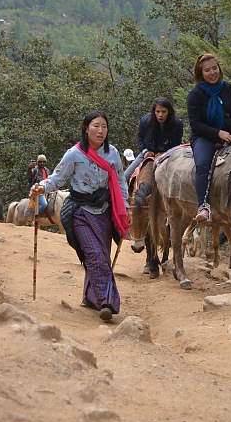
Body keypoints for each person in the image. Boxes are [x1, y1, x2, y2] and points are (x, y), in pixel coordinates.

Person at [29, 111, 129, 322]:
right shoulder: (74, 154)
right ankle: (107, 302)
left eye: (104, 126)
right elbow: (57, 179)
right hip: (81, 211)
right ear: (86, 128)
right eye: (96, 126)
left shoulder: (112, 154)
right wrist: (40, 187)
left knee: (102, 254)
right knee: (95, 255)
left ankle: (91, 297)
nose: (101, 131)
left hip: (105, 210)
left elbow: (120, 181)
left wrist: (125, 206)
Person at [186, 53, 231, 222]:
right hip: (204, 137)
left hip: (230, 135)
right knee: (203, 165)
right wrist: (217, 133)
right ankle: (203, 205)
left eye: (215, 68)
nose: (212, 73)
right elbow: (195, 124)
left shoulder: (228, 88)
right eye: (207, 70)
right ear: (200, 73)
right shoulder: (195, 95)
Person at [123, 97, 184, 181]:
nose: (160, 115)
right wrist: (145, 152)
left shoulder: (177, 124)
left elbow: (177, 143)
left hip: (170, 155)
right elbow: (140, 138)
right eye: (158, 111)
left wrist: (166, 154)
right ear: (154, 112)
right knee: (125, 177)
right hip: (149, 153)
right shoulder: (145, 121)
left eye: (163, 112)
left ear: (169, 112)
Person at [30, 154, 52, 219]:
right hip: (38, 190)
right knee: (44, 204)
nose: (42, 163)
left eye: (43, 162)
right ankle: (35, 217)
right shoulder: (35, 170)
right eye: (40, 162)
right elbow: (29, 174)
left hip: (46, 189)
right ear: (38, 162)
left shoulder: (47, 170)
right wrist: (29, 168)